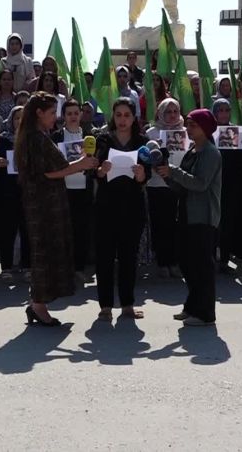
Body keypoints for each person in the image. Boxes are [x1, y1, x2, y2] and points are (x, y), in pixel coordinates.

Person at [15, 92, 98, 326]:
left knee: (48, 249)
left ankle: (37, 304)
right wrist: (80, 165)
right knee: (44, 252)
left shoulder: (37, 135)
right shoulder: (36, 138)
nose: (56, 117)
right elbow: (48, 172)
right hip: (43, 203)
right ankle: (39, 305)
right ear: (39, 113)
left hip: (45, 200)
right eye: (52, 113)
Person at [156, 108, 221, 326]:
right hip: (186, 212)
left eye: (193, 125)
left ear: (205, 128)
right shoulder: (193, 150)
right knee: (187, 263)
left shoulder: (210, 152)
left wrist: (173, 171)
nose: (189, 128)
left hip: (202, 215)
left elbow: (200, 183)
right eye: (189, 124)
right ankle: (192, 306)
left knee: (202, 265)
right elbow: (183, 185)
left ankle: (205, 313)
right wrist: (166, 176)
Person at [92, 98, 149, 320]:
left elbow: (148, 173)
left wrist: (142, 175)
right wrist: (100, 171)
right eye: (118, 115)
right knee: (104, 257)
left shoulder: (142, 141)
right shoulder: (103, 140)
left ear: (133, 118)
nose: (122, 119)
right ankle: (105, 306)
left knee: (128, 258)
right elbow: (92, 170)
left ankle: (127, 304)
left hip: (132, 208)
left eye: (127, 115)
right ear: (113, 117)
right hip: (106, 207)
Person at [50, 99, 94, 277]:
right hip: (63, 189)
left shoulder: (90, 136)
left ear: (81, 115)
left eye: (76, 113)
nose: (73, 116)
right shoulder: (56, 137)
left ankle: (79, 268)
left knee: (81, 230)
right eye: (69, 113)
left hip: (84, 189)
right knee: (62, 230)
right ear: (64, 116)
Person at [145, 98, 185, 277]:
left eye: (175, 111)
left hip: (179, 183)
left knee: (176, 224)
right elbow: (145, 157)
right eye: (168, 112)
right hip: (157, 184)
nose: (172, 115)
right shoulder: (152, 133)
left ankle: (175, 260)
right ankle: (162, 262)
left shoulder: (185, 131)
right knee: (160, 223)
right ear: (160, 113)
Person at [0, 106, 30, 279]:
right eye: (16, 118)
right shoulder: (3, 139)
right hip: (7, 190)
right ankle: (6, 267)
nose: (19, 121)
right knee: (7, 229)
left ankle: (27, 266)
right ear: (11, 120)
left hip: (27, 190)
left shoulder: (32, 139)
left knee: (27, 229)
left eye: (23, 118)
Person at [211, 98, 242, 271]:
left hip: (232, 182)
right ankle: (211, 256)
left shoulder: (237, 132)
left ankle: (224, 258)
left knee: (228, 220)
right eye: (220, 110)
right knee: (213, 221)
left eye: (227, 110)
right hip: (212, 182)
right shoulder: (208, 131)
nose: (224, 113)